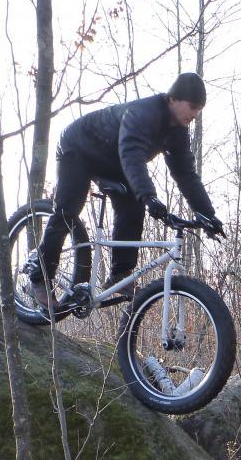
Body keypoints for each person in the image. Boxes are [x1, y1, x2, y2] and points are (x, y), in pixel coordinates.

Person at [29, 72, 224, 308]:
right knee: (67, 210)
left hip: (112, 160)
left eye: (199, 109)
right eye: (193, 107)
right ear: (173, 99)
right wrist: (150, 196)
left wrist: (208, 215)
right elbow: (132, 154)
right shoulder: (144, 113)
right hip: (78, 148)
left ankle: (120, 274)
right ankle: (39, 277)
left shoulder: (178, 132)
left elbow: (185, 174)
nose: (195, 114)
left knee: (133, 205)